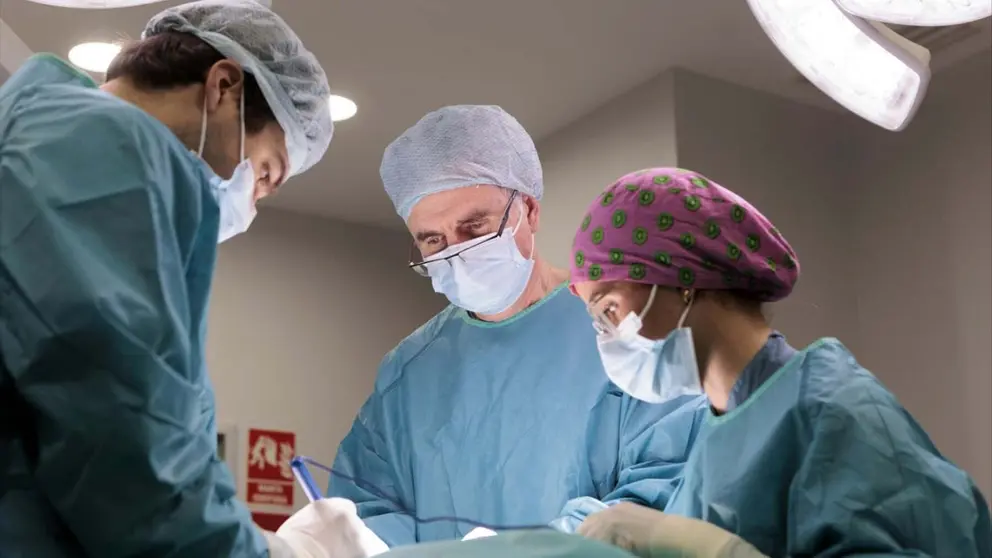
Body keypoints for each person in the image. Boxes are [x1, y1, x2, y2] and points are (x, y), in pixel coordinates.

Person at [0, 1, 386, 557]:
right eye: (268, 171)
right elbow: (132, 459)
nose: (256, 199)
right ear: (224, 86)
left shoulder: (46, 135)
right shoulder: (104, 148)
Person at [328, 105, 708, 548]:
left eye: (475, 227)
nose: (456, 252)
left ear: (528, 211)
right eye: (433, 240)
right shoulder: (407, 373)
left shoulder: (633, 330)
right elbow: (367, 508)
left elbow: (669, 487)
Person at [564, 167, 992, 557]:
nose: (608, 338)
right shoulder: (718, 438)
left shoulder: (833, 410)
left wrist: (720, 552)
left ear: (680, 281)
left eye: (609, 310)